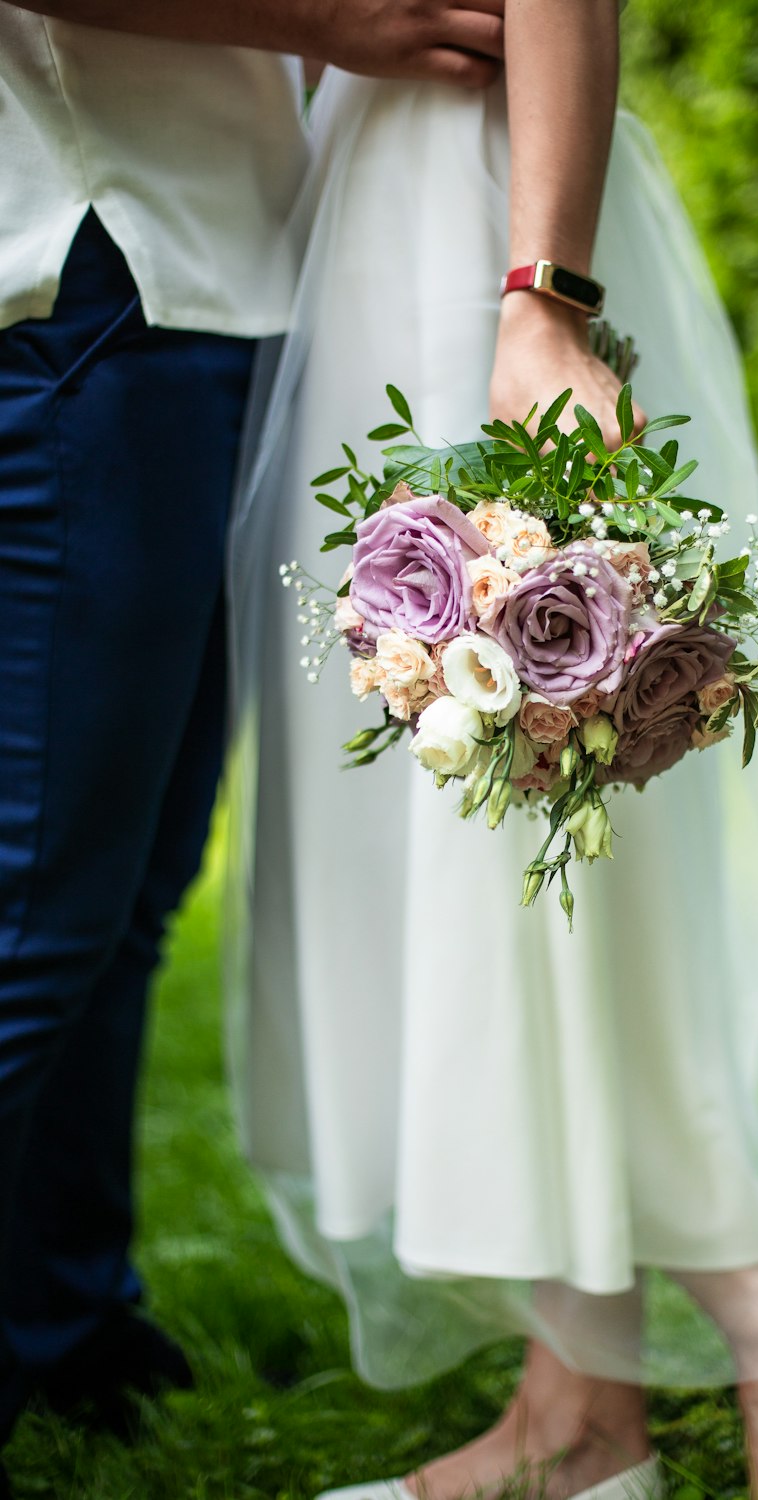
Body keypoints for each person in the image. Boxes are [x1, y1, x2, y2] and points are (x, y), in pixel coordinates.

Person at [229, 3, 758, 1497]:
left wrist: (541, 294)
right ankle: (577, 1426)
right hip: (421, 191)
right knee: (506, 813)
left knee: (511, 792)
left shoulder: (506, 253)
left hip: (482, 214)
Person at [0, 1, 504, 1488]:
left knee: (126, 895)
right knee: (35, 905)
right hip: (95, 270)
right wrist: (338, 20)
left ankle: (63, 1333)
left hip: (217, 275)